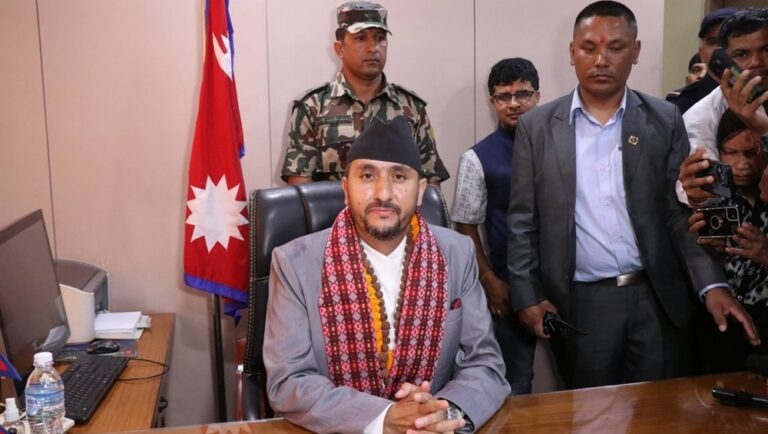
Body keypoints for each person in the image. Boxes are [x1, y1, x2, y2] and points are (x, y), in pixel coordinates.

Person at [507, 0, 759, 389]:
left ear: (635, 51)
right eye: (589, 48)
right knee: (589, 413)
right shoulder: (537, 127)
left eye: (616, 47)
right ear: (572, 52)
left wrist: (713, 285)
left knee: (660, 410)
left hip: (656, 298)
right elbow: (523, 220)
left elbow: (681, 213)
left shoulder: (664, 118)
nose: (601, 60)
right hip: (580, 302)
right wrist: (526, 295)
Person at [264, 116, 509, 434]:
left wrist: (439, 416)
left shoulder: (457, 253)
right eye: (367, 176)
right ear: (345, 188)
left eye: (399, 176)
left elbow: (485, 364)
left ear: (420, 191)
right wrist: (386, 418)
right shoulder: (295, 264)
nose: (383, 192)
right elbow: (289, 383)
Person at [281, 1, 449, 186]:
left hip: (397, 205)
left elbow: (430, 185)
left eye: (380, 38)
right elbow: (300, 190)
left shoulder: (411, 107)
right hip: (334, 206)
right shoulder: (312, 107)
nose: (373, 48)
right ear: (340, 49)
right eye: (361, 38)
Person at [452, 58, 540, 395]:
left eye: (523, 94)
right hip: (507, 285)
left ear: (537, 96)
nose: (514, 103)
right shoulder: (477, 158)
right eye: (504, 96)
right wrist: (490, 281)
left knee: (583, 377)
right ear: (492, 102)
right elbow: (465, 227)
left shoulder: (562, 148)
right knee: (514, 382)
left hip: (565, 281)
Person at [686, 110, 768, 373]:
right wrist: (712, 250)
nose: (741, 164)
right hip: (719, 320)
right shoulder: (712, 196)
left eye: (751, 153)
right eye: (730, 153)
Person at [679, 8, 768, 206]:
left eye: (766, 50)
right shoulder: (701, 118)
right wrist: (697, 194)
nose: (756, 62)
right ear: (724, 62)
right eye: (741, 54)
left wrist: (764, 129)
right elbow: (709, 195)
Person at [666, 8, 738, 114]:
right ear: (702, 53)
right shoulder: (681, 103)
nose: (720, 49)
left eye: (729, 40)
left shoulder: (760, 94)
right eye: (713, 42)